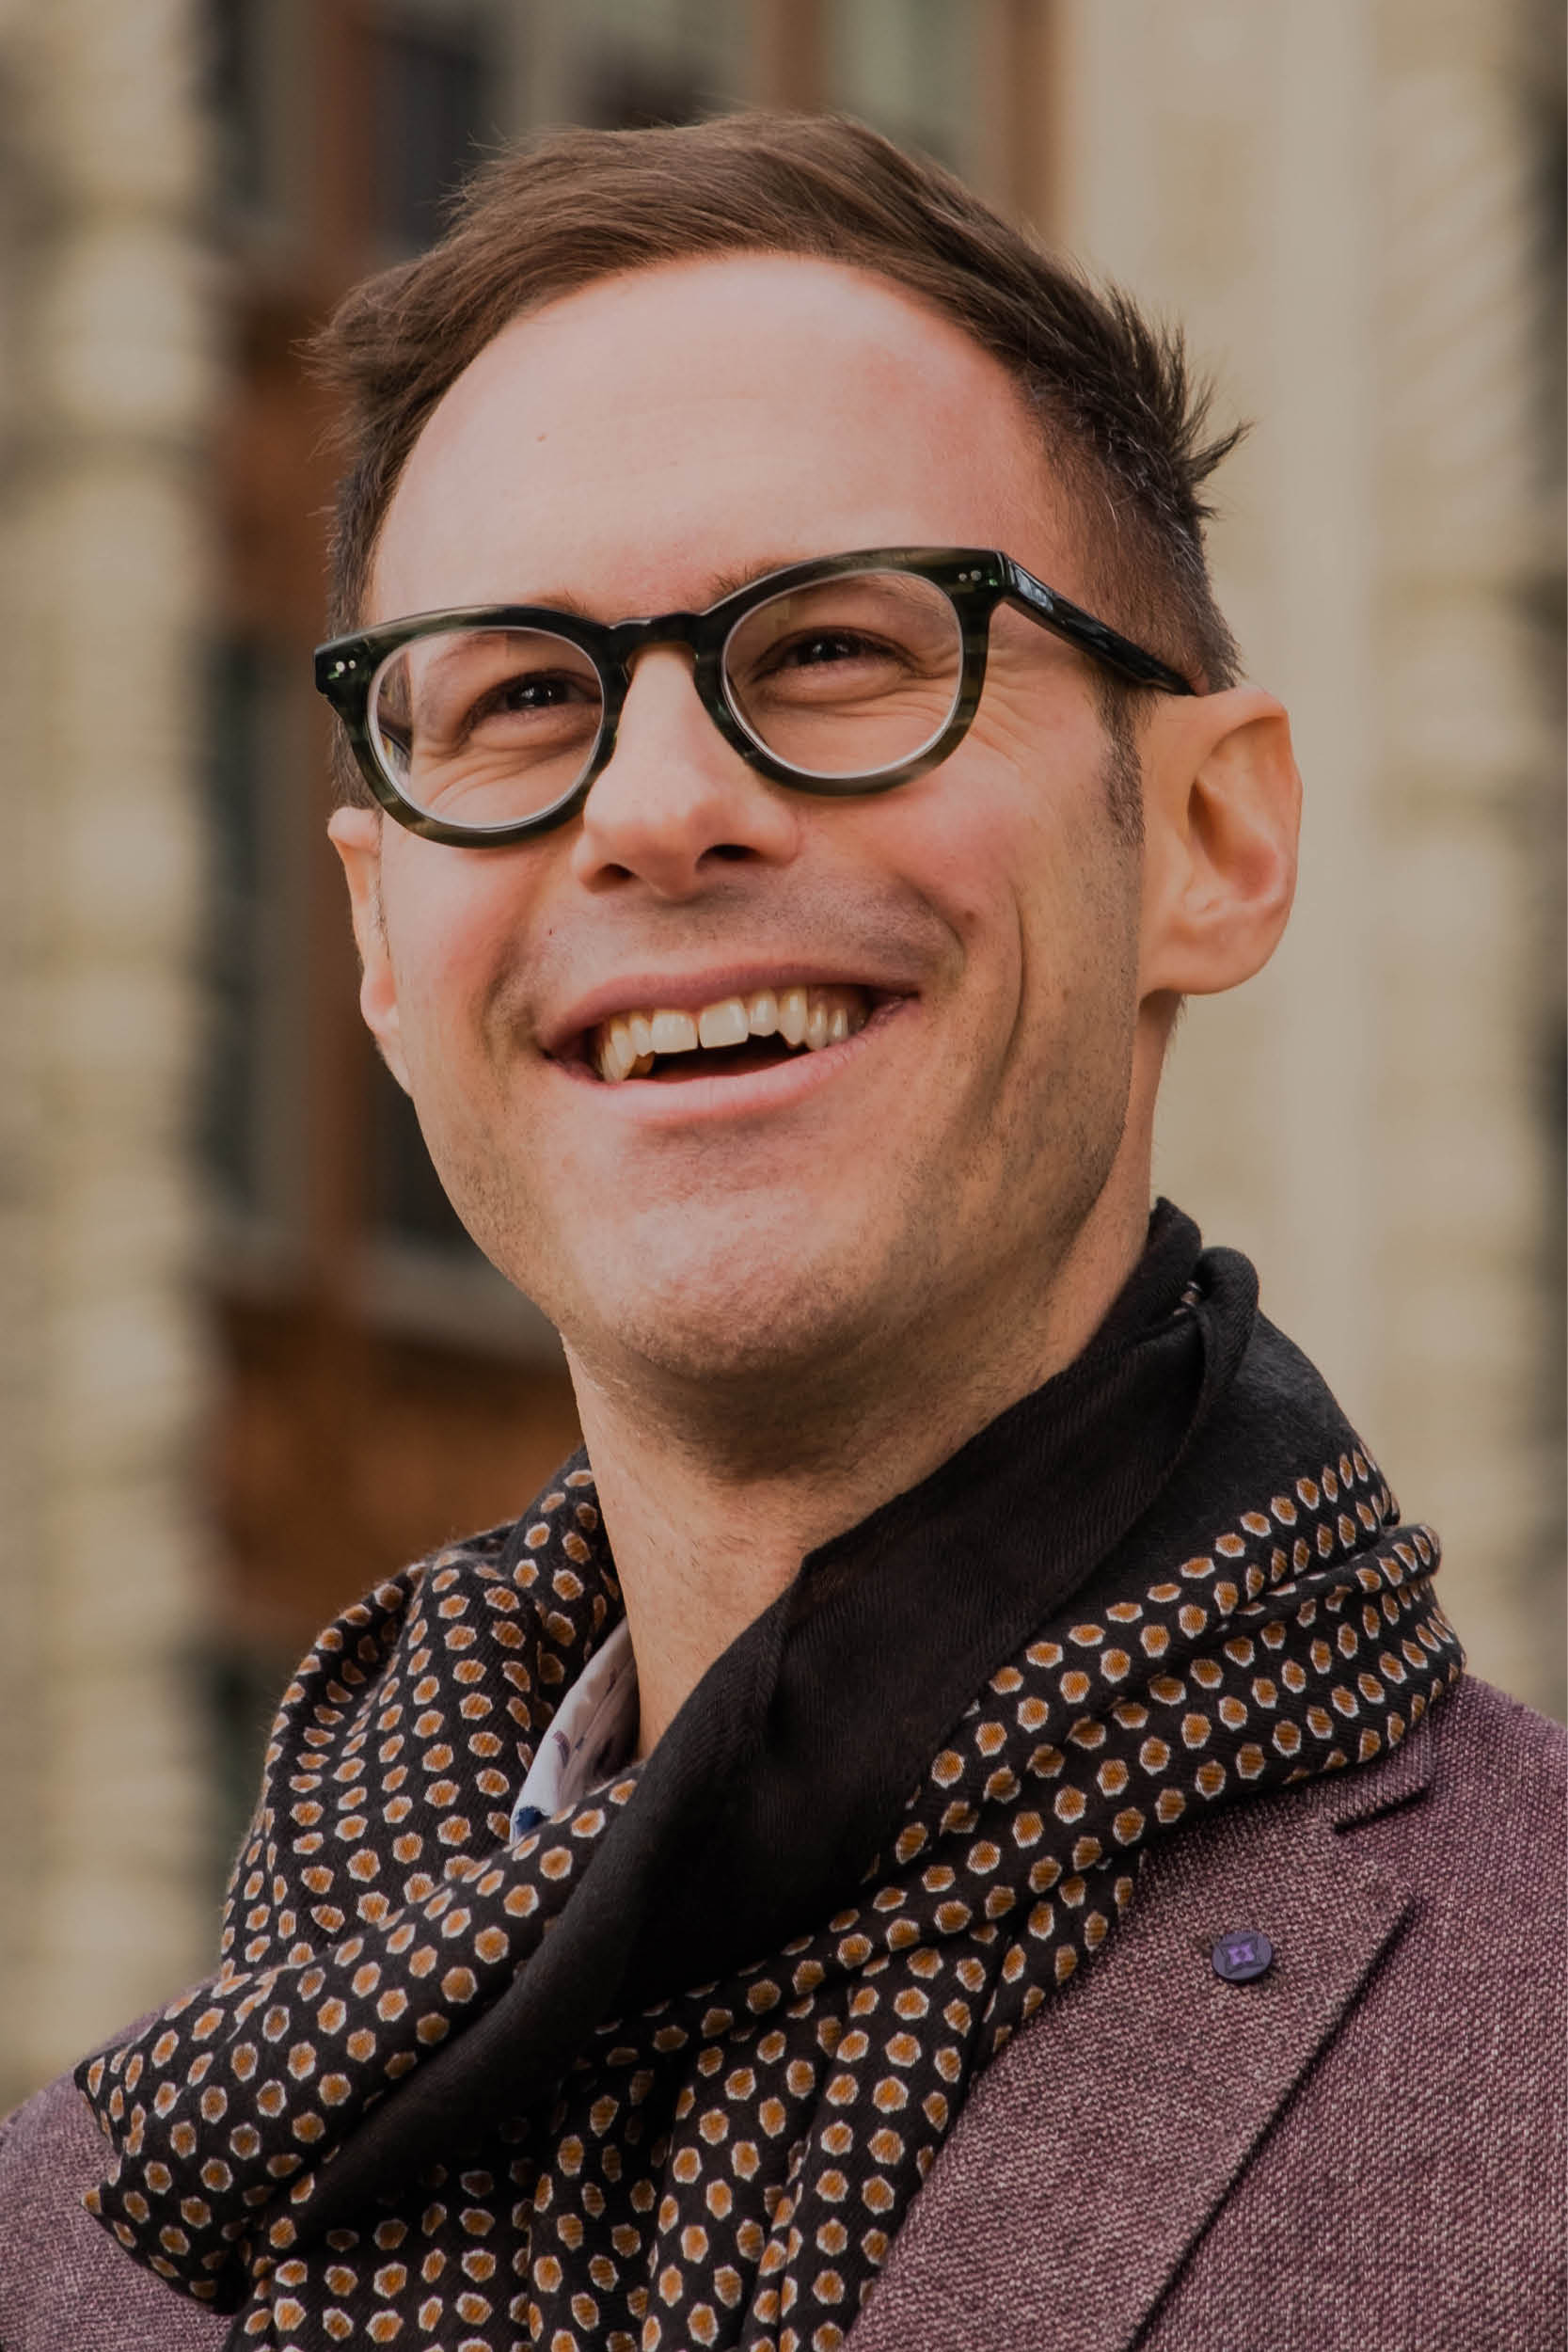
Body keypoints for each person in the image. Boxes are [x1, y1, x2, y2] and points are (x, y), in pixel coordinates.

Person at [0, 112, 1560, 2352]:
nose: (654, 808)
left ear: (1212, 836)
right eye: (523, 694)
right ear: (376, 937)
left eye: (835, 646)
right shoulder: (90, 2238)